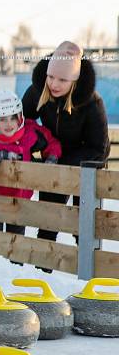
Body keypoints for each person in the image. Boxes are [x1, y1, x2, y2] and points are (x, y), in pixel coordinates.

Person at [21, 41, 111, 241]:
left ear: (74, 80)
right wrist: (37, 144)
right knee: (48, 221)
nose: (54, 84)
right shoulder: (39, 91)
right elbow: (22, 123)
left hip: (86, 166)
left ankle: (87, 270)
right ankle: (42, 269)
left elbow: (99, 148)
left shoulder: (92, 103)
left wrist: (61, 161)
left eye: (62, 79)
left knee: (84, 227)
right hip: (54, 161)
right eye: (51, 77)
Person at [0, 90, 61, 236]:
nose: (9, 124)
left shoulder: (28, 132)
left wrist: (52, 156)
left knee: (16, 243)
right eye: (2, 119)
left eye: (13, 118)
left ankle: (15, 260)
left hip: (19, 201)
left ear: (20, 117)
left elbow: (51, 142)